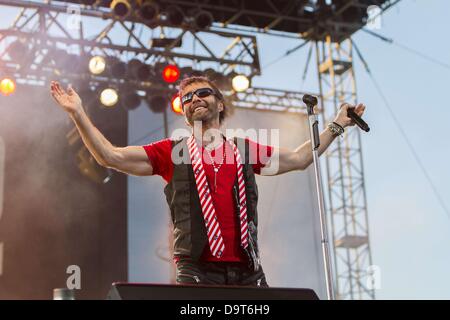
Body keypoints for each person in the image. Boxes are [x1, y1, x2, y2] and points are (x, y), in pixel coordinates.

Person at [50, 76, 365, 287]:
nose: (194, 99)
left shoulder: (243, 149)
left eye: (203, 93)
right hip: (196, 271)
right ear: (185, 113)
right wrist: (77, 112)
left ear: (220, 103)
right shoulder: (171, 152)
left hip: (248, 271)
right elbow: (110, 156)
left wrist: (337, 124)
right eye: (187, 98)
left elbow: (300, 158)